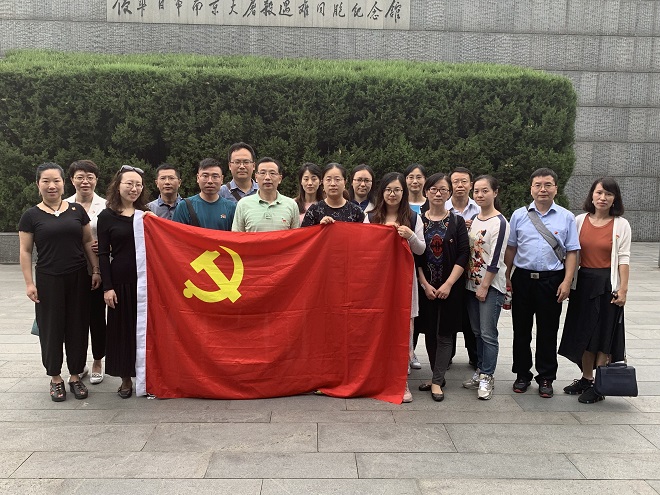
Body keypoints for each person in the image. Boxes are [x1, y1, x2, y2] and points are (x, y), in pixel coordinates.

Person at [18, 162, 101, 402]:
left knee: (78, 326)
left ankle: (75, 376)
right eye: (46, 181)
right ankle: (55, 378)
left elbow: (87, 242)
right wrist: (29, 283)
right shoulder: (31, 216)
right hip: (48, 279)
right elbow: (25, 251)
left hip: (78, 277)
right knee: (51, 329)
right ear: (38, 185)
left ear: (64, 183)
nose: (51, 186)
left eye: (56, 181)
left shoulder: (76, 210)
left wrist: (95, 269)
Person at [504, 167, 580, 398]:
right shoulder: (519, 215)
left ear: (556, 188)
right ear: (531, 189)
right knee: (521, 330)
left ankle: (546, 377)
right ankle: (522, 374)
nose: (542, 189)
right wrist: (506, 276)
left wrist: (567, 281)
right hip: (523, 279)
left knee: (548, 331)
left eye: (548, 185)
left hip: (551, 280)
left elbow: (572, 252)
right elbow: (511, 248)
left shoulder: (566, 217)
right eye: (538, 185)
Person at [559, 177, 631, 404]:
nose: (603, 198)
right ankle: (586, 378)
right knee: (583, 332)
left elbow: (624, 258)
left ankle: (600, 385)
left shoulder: (621, 224)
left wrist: (623, 289)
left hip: (606, 285)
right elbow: (571, 252)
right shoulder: (579, 220)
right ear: (592, 195)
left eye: (608, 194)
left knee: (602, 334)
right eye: (599, 193)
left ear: (615, 199)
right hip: (583, 283)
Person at [364, 172, 425, 403]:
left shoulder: (414, 218)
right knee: (377, 326)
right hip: (377, 282)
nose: (392, 194)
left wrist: (410, 236)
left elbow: (421, 250)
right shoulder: (370, 217)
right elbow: (362, 248)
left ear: (404, 193)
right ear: (382, 192)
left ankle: (401, 380)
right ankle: (376, 375)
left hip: (404, 281)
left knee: (403, 326)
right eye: (388, 190)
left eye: (397, 190)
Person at [415, 173, 469, 402]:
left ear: (449, 193)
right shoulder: (418, 221)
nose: (438, 193)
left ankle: (437, 381)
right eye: (433, 189)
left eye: (443, 190)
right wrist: (424, 284)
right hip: (425, 288)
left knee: (445, 333)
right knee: (429, 332)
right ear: (426, 192)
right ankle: (436, 376)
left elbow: (463, 254)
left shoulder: (456, 222)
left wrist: (448, 284)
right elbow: (415, 257)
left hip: (450, 288)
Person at [98, 165, 150, 399]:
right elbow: (103, 254)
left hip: (145, 282)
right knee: (122, 330)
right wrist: (107, 287)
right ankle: (126, 379)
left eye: (138, 184)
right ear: (117, 186)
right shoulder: (106, 216)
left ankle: (146, 375)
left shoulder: (146, 215)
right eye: (129, 183)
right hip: (120, 282)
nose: (134, 188)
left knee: (144, 329)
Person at [461, 175, 510, 400]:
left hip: (489, 287)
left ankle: (488, 376)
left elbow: (496, 258)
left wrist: (485, 286)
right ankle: (480, 370)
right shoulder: (475, 219)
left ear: (495, 192)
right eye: (477, 191)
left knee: (489, 334)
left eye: (485, 191)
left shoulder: (500, 222)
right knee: (477, 332)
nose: (480, 195)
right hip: (471, 284)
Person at [65, 159, 106, 384]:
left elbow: (115, 234)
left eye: (90, 177)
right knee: (74, 319)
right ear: (72, 180)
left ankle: (98, 360)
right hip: (71, 269)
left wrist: (107, 245)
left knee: (97, 317)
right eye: (80, 177)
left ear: (96, 180)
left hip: (98, 269)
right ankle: (77, 363)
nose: (85, 181)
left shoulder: (106, 205)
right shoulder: (63, 205)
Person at [446, 167, 481, 369]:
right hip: (449, 268)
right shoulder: (442, 206)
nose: (460, 185)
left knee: (470, 315)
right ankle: (447, 355)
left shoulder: (480, 208)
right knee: (449, 311)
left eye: (464, 181)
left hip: (473, 270)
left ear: (471, 184)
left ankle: (475, 356)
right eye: (456, 182)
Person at [232, 157, 299, 232]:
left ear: (280, 178)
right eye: (262, 173)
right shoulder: (243, 204)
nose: (267, 178)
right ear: (256, 177)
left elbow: (296, 236)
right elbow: (237, 236)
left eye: (272, 173)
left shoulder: (291, 205)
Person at [172, 158, 236, 230]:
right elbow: (176, 234)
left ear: (221, 179)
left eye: (215, 176)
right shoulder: (184, 207)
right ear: (198, 178)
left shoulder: (231, 208)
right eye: (205, 176)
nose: (210, 181)